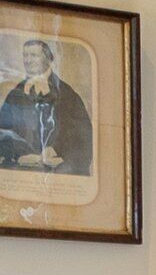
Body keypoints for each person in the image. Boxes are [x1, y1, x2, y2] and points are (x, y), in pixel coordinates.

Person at [0, 38, 92, 175]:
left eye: (34, 55)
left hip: (58, 167)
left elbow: (82, 135)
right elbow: (4, 129)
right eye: (25, 55)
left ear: (48, 58)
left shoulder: (68, 95)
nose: (28, 60)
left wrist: (55, 149)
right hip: (23, 166)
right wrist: (20, 154)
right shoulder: (15, 94)